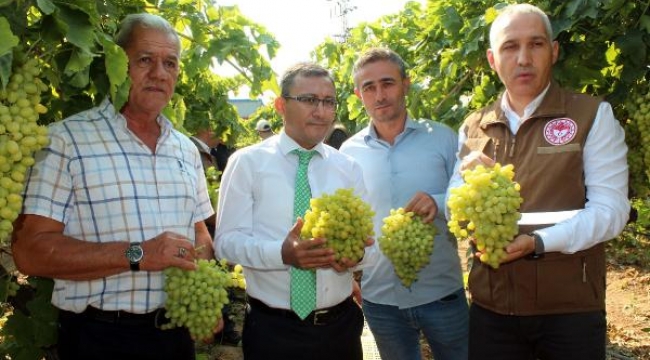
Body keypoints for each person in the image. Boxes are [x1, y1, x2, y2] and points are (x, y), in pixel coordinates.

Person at [11, 13, 220, 359]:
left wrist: (204, 294)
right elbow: (30, 251)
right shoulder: (66, 141)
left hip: (175, 337)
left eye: (170, 63)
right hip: (99, 340)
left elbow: (199, 233)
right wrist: (138, 254)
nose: (159, 73)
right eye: (145, 60)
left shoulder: (185, 148)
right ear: (117, 63)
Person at [448, 4, 629, 360]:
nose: (524, 58)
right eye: (510, 47)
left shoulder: (591, 115)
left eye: (536, 44)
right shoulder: (473, 125)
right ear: (491, 59)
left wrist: (539, 242)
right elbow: (456, 202)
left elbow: (612, 211)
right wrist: (463, 189)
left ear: (554, 51)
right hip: (492, 308)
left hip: (568, 311)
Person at [215, 62, 376, 360]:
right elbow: (226, 244)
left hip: (340, 328)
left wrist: (357, 256)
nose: (321, 111)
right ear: (280, 105)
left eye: (329, 102)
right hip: (274, 332)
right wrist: (282, 253)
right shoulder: (247, 163)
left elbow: (371, 244)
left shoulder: (347, 168)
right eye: (309, 100)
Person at [339, 48, 468, 360]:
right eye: (369, 88)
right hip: (381, 300)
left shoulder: (444, 138)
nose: (380, 95)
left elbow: (469, 203)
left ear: (406, 84)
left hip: (442, 293)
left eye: (388, 83)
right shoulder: (347, 153)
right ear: (359, 95)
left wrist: (438, 202)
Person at [189, 126, 240, 347]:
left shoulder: (193, 151)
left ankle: (221, 327)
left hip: (206, 231)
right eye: (218, 129)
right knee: (217, 275)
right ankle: (222, 331)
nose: (223, 134)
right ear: (208, 129)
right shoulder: (192, 152)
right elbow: (202, 210)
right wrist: (224, 221)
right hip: (206, 228)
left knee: (216, 278)